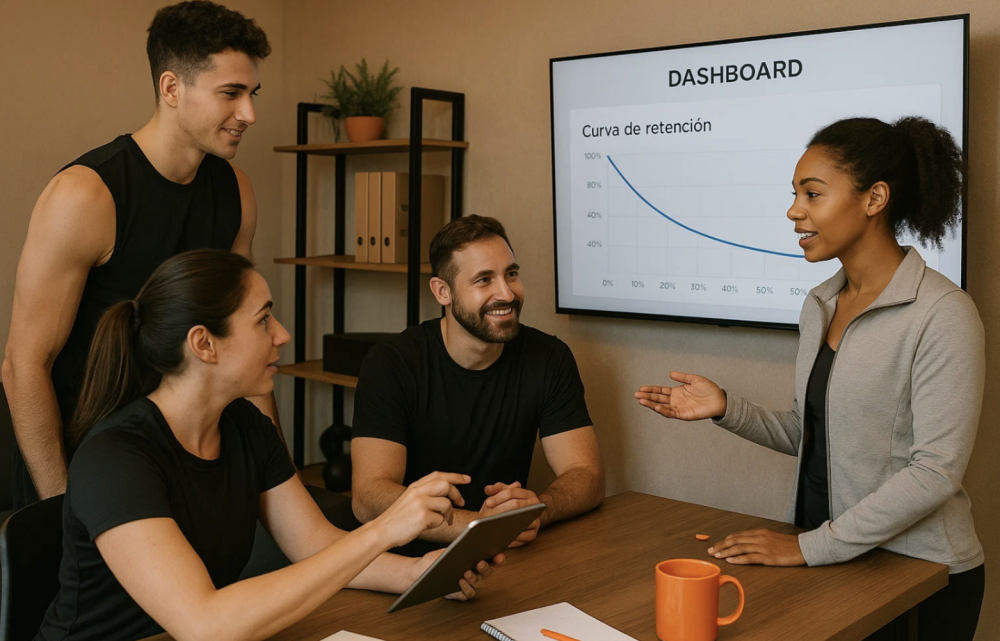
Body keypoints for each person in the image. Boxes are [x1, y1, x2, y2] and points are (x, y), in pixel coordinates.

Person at [635, 117, 984, 640]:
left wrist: (807, 547)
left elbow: (935, 472)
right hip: (837, 557)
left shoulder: (943, 313)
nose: (794, 210)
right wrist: (726, 407)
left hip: (919, 574)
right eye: (795, 194)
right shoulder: (820, 303)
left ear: (875, 198)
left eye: (812, 194)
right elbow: (810, 431)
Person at [35, 249, 500, 641]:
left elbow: (316, 545)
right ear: (204, 344)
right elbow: (204, 624)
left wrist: (420, 572)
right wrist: (384, 529)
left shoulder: (246, 429)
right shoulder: (116, 457)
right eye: (263, 320)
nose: (282, 334)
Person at [3, 0, 277, 509]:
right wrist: (64, 510)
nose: (249, 114)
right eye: (231, 94)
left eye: (252, 93)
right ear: (171, 88)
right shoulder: (86, 196)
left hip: (173, 447)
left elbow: (247, 338)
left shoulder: (236, 191)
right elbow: (23, 366)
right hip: (78, 457)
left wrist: (276, 480)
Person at [351, 215, 605, 555]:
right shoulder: (391, 364)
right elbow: (368, 498)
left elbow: (586, 475)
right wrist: (479, 527)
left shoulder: (549, 357)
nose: (506, 293)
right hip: (406, 558)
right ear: (443, 291)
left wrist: (537, 511)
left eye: (511, 274)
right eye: (484, 280)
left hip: (504, 555)